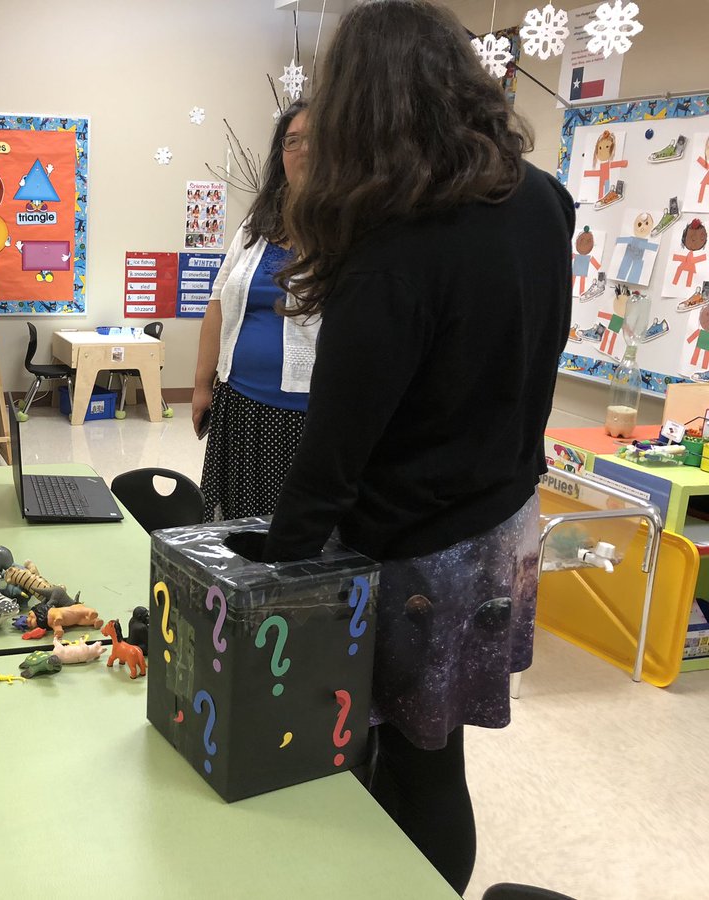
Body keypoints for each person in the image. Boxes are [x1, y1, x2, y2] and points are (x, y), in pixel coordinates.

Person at [260, 2, 574, 894]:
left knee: (399, 759)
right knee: (436, 752)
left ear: (366, 105)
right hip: (504, 526)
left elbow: (338, 440)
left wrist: (278, 559)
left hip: (419, 554)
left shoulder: (399, 239)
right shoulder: (542, 198)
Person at [192, 98, 319, 521]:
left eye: (313, 139)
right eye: (291, 140)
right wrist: (201, 386)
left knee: (284, 529)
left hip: (302, 416)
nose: (301, 150)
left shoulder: (347, 228)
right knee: (234, 529)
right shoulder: (257, 223)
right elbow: (218, 302)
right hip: (238, 401)